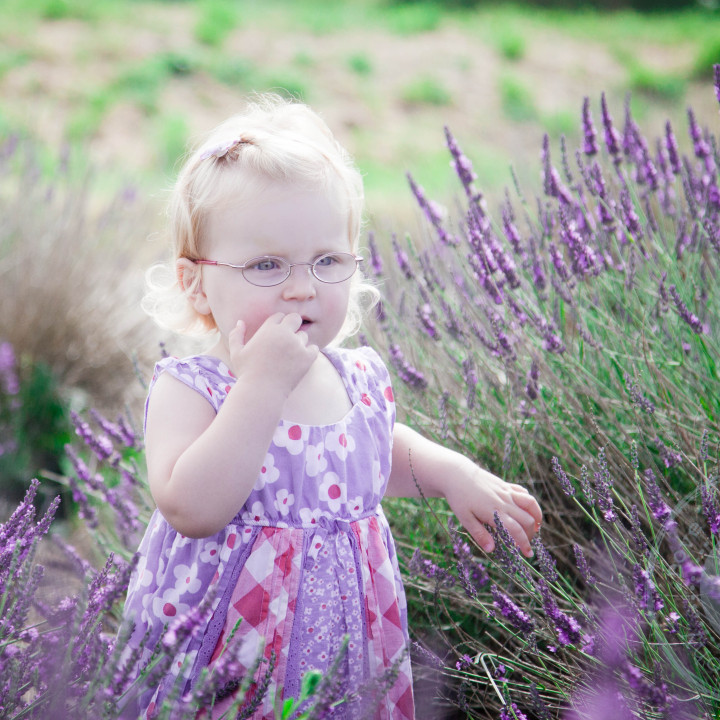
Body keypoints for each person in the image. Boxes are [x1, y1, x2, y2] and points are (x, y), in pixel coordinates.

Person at [120, 93, 542, 720]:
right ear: (195, 280)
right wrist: (259, 388)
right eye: (266, 264)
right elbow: (192, 507)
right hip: (224, 652)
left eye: (326, 260)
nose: (302, 286)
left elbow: (369, 453)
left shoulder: (355, 376)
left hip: (338, 641)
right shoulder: (193, 388)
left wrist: (452, 473)